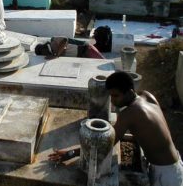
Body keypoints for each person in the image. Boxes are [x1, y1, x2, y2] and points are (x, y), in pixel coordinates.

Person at [49, 71, 183, 186]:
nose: (112, 101)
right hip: (174, 163)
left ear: (130, 92)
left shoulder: (130, 113)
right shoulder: (147, 96)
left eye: (116, 96)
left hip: (165, 175)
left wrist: (69, 154)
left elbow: (106, 143)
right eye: (111, 96)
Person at [35, 36, 105, 59]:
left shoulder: (53, 40)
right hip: (81, 56)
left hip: (86, 48)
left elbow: (65, 40)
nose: (44, 54)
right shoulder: (51, 52)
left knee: (102, 62)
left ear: (43, 48)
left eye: (42, 53)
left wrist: (56, 55)